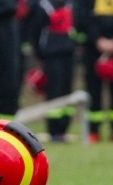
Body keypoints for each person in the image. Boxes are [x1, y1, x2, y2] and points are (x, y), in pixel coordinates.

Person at [74, 0, 113, 143]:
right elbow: (81, 19)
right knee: (93, 90)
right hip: (92, 50)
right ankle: (93, 131)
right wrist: (97, 40)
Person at [23, 0, 77, 142]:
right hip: (51, 55)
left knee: (67, 91)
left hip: (68, 53)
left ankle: (64, 128)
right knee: (54, 91)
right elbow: (34, 32)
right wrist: (41, 55)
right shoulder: (43, 6)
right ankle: (54, 131)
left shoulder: (69, 5)